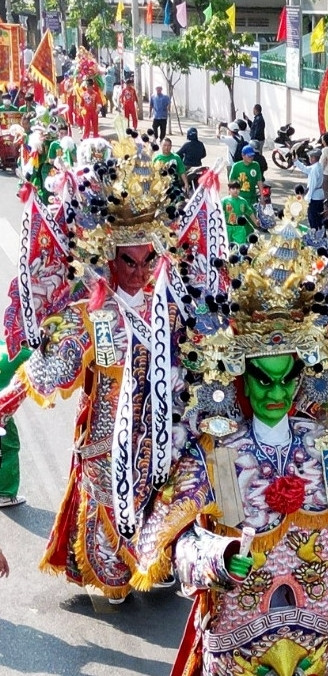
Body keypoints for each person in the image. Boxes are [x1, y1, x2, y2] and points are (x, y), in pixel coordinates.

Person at [142, 219, 328, 675]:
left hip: (314, 631)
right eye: (264, 378)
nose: (277, 393)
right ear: (241, 376)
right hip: (240, 632)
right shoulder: (219, 452)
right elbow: (164, 543)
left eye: (289, 378)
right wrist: (218, 558)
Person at [0, 143, 182, 602]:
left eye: (148, 261)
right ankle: (113, 569)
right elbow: (47, 368)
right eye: (128, 261)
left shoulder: (173, 311)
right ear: (109, 258)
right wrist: (7, 401)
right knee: (110, 556)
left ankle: (158, 558)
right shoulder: (90, 314)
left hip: (161, 438)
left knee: (164, 503)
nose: (139, 273)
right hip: (106, 440)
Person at [0, 340, 31, 508]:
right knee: (9, 448)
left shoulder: (3, 344)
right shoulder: (26, 355)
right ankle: (5, 493)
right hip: (1, 409)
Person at [294, 148, 325, 235]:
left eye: (311, 157)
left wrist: (307, 198)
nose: (310, 159)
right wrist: (296, 161)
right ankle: (320, 235)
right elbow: (305, 169)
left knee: (313, 219)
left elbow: (312, 185)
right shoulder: (317, 166)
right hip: (318, 195)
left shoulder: (315, 169)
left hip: (314, 197)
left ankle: (316, 237)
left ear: (315, 158)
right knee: (318, 219)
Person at [222, 180, 256, 246]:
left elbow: (250, 212)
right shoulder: (224, 201)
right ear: (229, 190)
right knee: (226, 247)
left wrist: (255, 221)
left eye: (237, 188)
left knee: (239, 246)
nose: (235, 190)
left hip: (239, 228)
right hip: (227, 227)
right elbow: (218, 212)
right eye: (233, 188)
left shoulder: (243, 201)